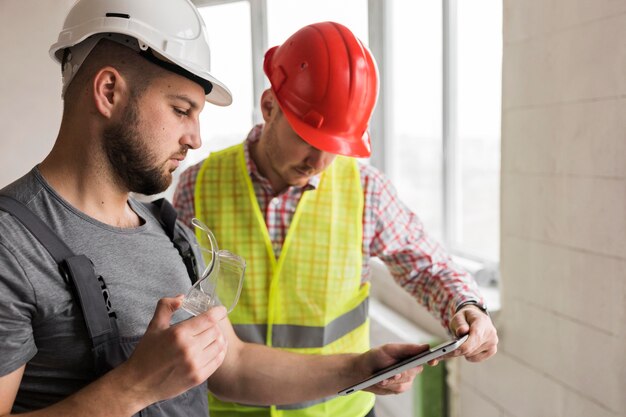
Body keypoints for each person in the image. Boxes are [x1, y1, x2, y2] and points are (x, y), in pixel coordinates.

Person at [0, 2, 431, 416]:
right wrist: (135, 387)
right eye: (181, 110)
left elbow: (234, 369)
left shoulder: (169, 233)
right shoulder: (12, 244)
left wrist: (360, 368)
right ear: (109, 91)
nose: (195, 138)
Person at [173, 21, 499, 417]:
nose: (320, 162)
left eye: (335, 147)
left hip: (340, 410)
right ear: (269, 107)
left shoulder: (365, 190)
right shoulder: (198, 185)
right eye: (309, 140)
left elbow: (426, 264)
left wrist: (465, 305)